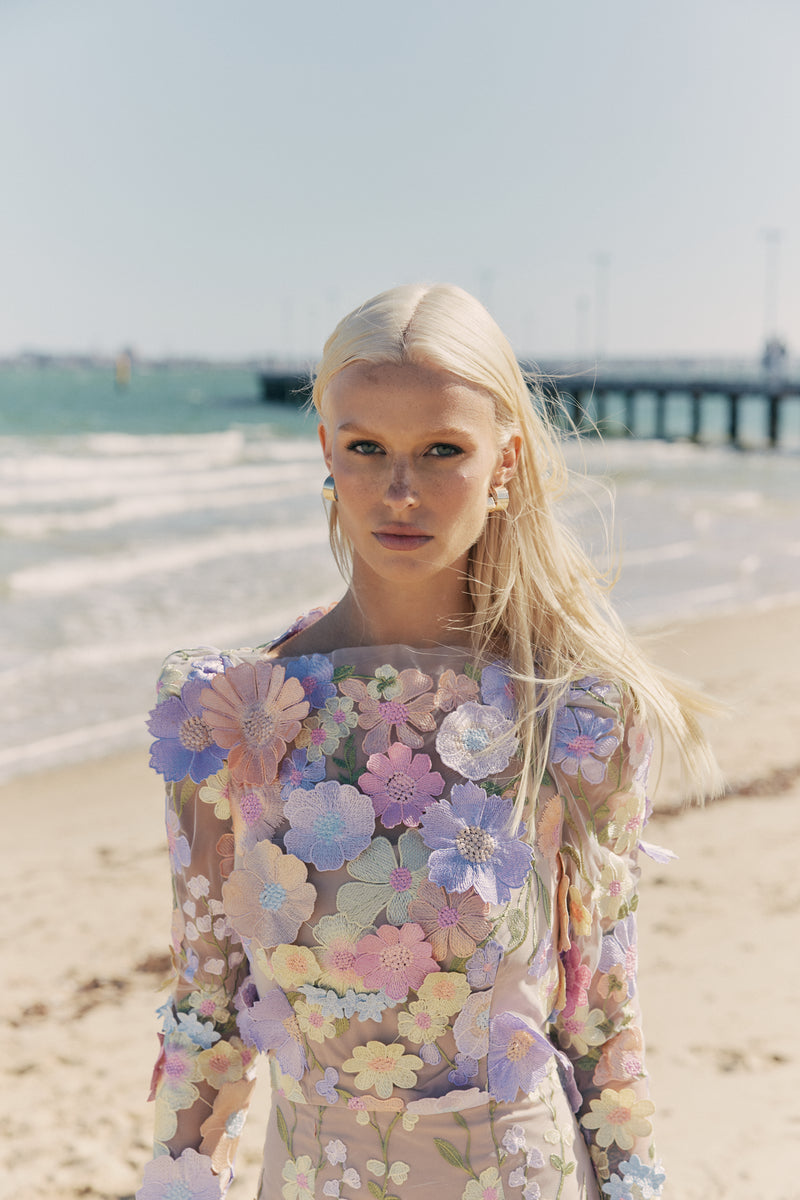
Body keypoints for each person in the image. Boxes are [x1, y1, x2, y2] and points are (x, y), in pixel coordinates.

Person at [137, 283, 720, 1200]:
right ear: (326, 449)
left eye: (441, 450)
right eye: (367, 448)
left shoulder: (577, 718)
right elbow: (206, 1018)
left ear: (504, 463)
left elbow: (604, 1022)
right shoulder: (223, 710)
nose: (399, 490)